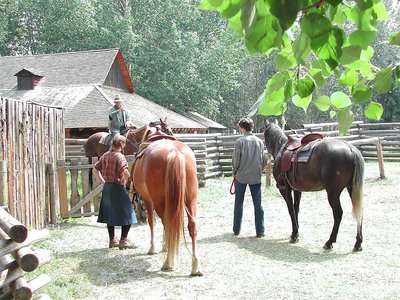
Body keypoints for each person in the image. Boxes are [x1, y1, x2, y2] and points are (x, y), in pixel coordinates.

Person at [93, 135, 137, 249]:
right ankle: (124, 240)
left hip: (107, 188)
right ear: (121, 145)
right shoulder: (120, 156)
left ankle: (112, 240)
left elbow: (95, 170)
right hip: (118, 187)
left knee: (110, 214)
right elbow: (124, 170)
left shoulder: (105, 155)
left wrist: (103, 182)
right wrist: (132, 180)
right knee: (128, 213)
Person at [232, 117, 266, 238]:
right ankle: (260, 230)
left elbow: (236, 160)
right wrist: (259, 170)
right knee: (258, 204)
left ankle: (236, 229)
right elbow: (264, 160)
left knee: (238, 203)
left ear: (242, 128)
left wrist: (234, 172)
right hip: (255, 176)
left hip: (241, 176)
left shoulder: (239, 142)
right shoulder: (259, 142)